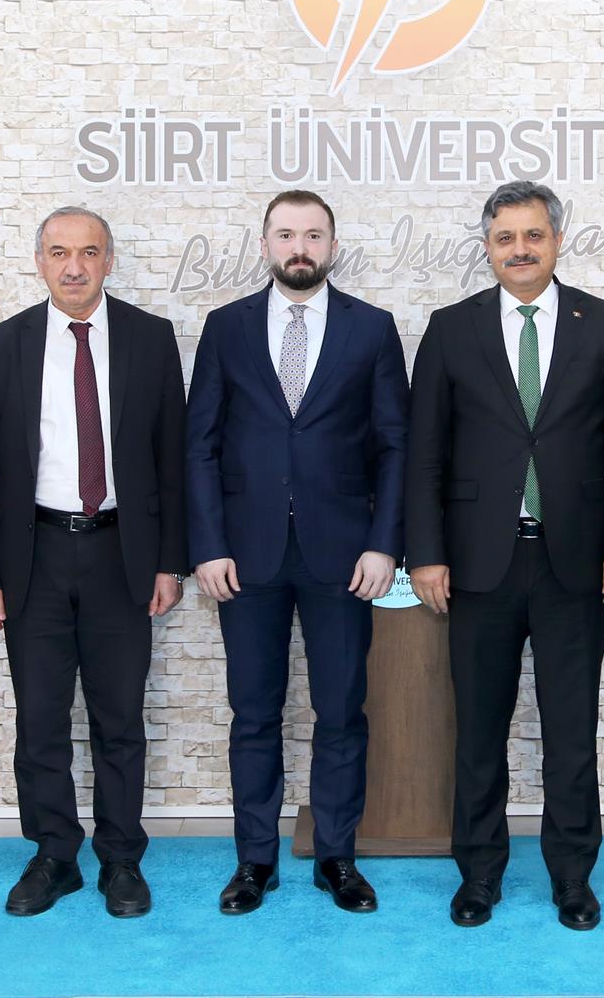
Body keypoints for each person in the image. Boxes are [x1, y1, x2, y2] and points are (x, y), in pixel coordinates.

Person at [407, 180, 604, 932]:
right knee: (480, 732)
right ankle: (479, 874)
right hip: (479, 564)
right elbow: (424, 454)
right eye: (506, 237)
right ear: (487, 246)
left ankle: (573, 877)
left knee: (570, 732)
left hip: (575, 563)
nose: (520, 249)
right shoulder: (450, 328)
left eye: (534, 235)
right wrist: (425, 553)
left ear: (557, 241)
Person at [185, 191, 410, 915]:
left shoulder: (372, 328)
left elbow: (395, 447)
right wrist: (208, 544)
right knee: (254, 713)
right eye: (286, 234)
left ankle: (337, 857)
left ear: (332, 246)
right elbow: (200, 444)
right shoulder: (225, 327)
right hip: (244, 558)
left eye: (313, 234)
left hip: (343, 557)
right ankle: (255, 860)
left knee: (341, 711)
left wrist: (384, 544)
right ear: (265, 245)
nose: (300, 247)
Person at [0, 207, 188, 919]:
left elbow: (172, 456)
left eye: (89, 252)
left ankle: (121, 857)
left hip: (122, 552)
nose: (74, 266)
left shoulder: (152, 339)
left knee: (119, 716)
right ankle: (54, 854)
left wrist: (170, 561)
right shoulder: (1, 346)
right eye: (59, 252)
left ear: (108, 260)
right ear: (39, 261)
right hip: (31, 553)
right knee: (40, 718)